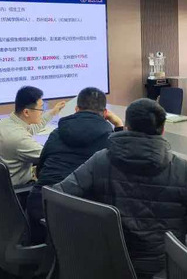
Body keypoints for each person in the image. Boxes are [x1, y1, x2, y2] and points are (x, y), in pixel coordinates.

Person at [55, 98, 187, 278]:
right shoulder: (182, 168)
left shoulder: (100, 160)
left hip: (110, 261)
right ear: (163, 130)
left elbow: (58, 196)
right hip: (163, 267)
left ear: (126, 127)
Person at [26, 87, 124, 243]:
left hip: (42, 207)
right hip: (83, 215)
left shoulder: (56, 134)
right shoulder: (109, 140)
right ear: (105, 113)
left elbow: (40, 171)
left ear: (76, 109)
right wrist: (119, 126)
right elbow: (119, 172)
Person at [0, 86, 65, 186]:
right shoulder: (20, 139)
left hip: (0, 183)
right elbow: (49, 156)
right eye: (41, 108)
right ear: (26, 112)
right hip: (19, 188)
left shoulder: (4, 123)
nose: (42, 111)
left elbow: (33, 127)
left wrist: (52, 112)